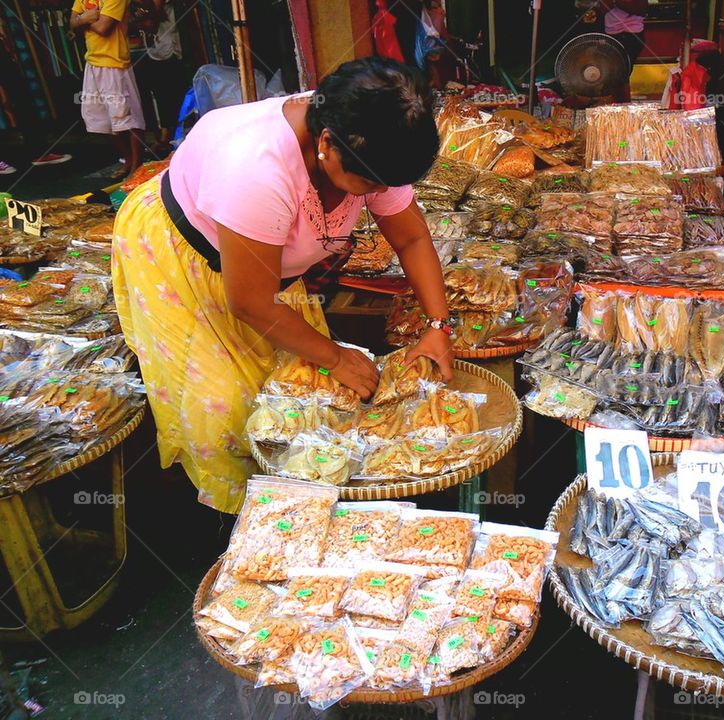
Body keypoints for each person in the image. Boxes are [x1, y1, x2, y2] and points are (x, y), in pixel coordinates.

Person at [112, 58, 453, 513]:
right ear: (326, 144)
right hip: (184, 257)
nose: (375, 194)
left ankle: (299, 498)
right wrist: (334, 357)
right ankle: (247, 525)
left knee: (293, 393)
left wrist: (437, 324)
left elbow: (409, 235)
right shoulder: (256, 169)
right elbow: (251, 301)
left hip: (264, 271)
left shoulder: (369, 141)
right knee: (228, 409)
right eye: (368, 184)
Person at [70, 0, 146, 177]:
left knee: (128, 117)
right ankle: (128, 160)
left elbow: (104, 28)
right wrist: (86, 19)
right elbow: (72, 23)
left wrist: (82, 19)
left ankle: (137, 166)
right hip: (92, 62)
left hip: (115, 64)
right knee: (99, 118)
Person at [130, 0, 187, 154]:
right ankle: (166, 136)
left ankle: (173, 137)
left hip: (170, 45)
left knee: (173, 93)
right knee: (160, 93)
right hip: (155, 49)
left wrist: (139, 15)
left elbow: (152, 20)